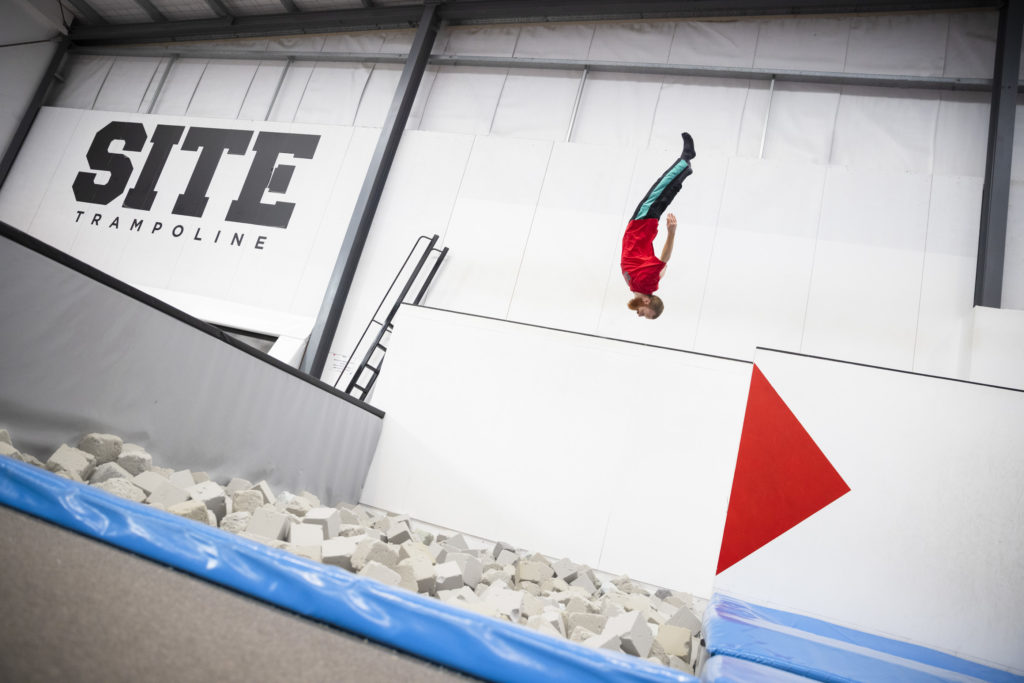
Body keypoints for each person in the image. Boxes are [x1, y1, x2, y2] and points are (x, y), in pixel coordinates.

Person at [621, 132, 696, 319]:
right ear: (647, 302)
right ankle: (686, 158)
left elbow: (662, 270)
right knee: (660, 187)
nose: (639, 315)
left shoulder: (637, 287)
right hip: (641, 227)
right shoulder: (647, 283)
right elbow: (664, 260)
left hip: (640, 228)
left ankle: (685, 170)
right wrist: (671, 233)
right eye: (645, 314)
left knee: (665, 194)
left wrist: (658, 274)